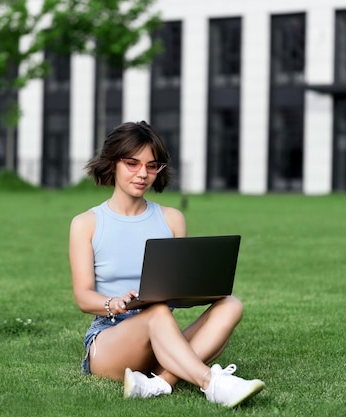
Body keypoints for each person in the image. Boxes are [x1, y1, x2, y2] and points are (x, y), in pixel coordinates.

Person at [69, 121, 265, 408]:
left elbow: (176, 288)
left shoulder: (172, 219)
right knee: (158, 312)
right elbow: (83, 297)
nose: (142, 174)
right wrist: (115, 302)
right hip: (110, 339)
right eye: (132, 163)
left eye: (152, 166)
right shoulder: (86, 223)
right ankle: (213, 384)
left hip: (162, 334)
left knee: (231, 304)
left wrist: (199, 291)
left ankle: (159, 382)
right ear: (112, 164)